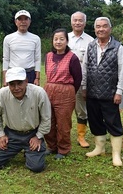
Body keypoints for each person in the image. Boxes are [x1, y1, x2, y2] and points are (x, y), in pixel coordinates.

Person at [81, 17, 123, 166]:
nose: (101, 29)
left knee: (113, 123)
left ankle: (116, 154)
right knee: (95, 122)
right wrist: (84, 86)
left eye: (104, 26)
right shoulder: (90, 46)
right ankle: (99, 148)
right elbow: (85, 67)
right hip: (92, 92)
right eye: (98, 27)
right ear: (94, 29)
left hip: (110, 93)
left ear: (110, 29)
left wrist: (119, 91)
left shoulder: (118, 47)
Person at [0, 67, 51, 172]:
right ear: (8, 84)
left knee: (36, 167)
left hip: (32, 134)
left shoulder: (39, 93)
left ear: (26, 81)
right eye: (12, 84)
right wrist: (1, 135)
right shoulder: (2, 94)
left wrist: (38, 136)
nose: (16, 88)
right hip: (11, 135)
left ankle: (31, 152)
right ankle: (18, 151)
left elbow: (46, 118)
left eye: (20, 83)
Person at [44, 28, 82, 159]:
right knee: (48, 120)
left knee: (63, 123)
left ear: (67, 41)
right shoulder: (48, 56)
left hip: (66, 91)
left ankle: (63, 149)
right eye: (56, 39)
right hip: (49, 90)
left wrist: (69, 92)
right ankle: (51, 146)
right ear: (52, 41)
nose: (58, 42)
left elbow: (78, 79)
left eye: (61, 39)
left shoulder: (72, 57)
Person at [68, 11, 94, 148]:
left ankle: (81, 137)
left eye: (80, 20)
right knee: (64, 109)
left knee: (81, 109)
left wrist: (86, 85)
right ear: (71, 22)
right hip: (66, 80)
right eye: (75, 20)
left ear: (85, 23)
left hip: (82, 81)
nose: (77, 23)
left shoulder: (90, 41)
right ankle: (64, 135)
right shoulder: (65, 38)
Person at [2, 10, 41, 87]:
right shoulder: (8, 38)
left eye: (26, 19)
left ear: (29, 21)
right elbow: (6, 59)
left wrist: (37, 78)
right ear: (16, 22)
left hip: (29, 73)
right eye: (20, 19)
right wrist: (5, 78)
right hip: (13, 73)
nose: (23, 22)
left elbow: (37, 59)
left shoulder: (36, 39)